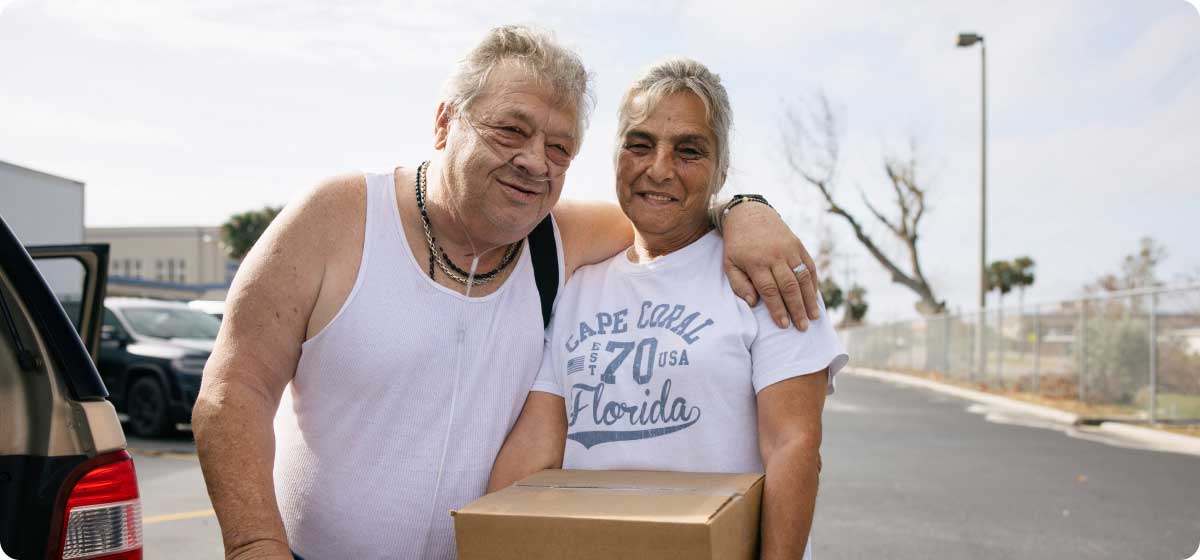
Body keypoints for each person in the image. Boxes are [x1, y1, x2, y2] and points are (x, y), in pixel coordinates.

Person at [193, 26, 824, 560]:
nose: (534, 162)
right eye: (509, 131)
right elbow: (233, 391)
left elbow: (670, 213)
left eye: (559, 148)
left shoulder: (560, 244)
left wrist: (747, 209)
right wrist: (255, 547)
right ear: (445, 123)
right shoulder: (336, 219)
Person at [488, 58, 848, 560]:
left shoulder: (767, 274)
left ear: (721, 168)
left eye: (689, 150)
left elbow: (794, 449)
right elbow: (541, 441)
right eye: (639, 144)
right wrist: (482, 533)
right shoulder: (579, 285)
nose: (659, 168)